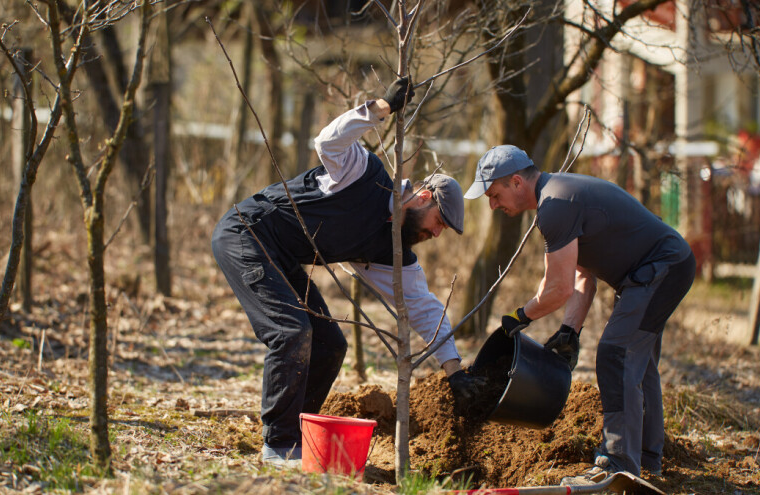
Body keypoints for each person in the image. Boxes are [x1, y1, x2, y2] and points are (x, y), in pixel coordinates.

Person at [212, 78, 485, 467]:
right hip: (246, 232)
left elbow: (424, 308)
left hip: (280, 255)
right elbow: (328, 142)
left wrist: (454, 371)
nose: (436, 234)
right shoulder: (365, 176)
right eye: (439, 222)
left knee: (329, 344)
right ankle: (279, 445)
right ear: (423, 197)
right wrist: (380, 109)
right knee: (292, 331)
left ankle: (296, 435)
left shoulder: (392, 249)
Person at [463, 145, 696, 483]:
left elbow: (558, 289)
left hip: (661, 269)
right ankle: (646, 459)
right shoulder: (559, 194)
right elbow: (581, 275)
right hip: (656, 270)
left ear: (516, 182)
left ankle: (618, 462)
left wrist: (520, 316)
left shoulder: (554, 206)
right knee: (636, 361)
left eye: (494, 194)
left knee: (616, 354)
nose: (493, 204)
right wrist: (569, 330)